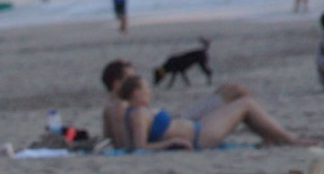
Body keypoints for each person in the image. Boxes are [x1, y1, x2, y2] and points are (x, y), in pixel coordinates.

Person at [118, 74, 316, 151]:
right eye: (145, 88)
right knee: (246, 104)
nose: (149, 91)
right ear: (136, 92)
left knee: (240, 102)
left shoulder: (137, 112)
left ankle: (278, 137)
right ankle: (290, 140)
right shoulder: (138, 114)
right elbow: (138, 148)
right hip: (199, 136)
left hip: (196, 129)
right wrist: (170, 143)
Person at [101, 60, 254, 150]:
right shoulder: (121, 106)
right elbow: (126, 145)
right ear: (116, 84)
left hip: (176, 121)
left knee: (228, 90)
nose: (134, 80)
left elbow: (114, 139)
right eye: (130, 77)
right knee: (234, 92)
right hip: (183, 124)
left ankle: (247, 124)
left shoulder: (115, 106)